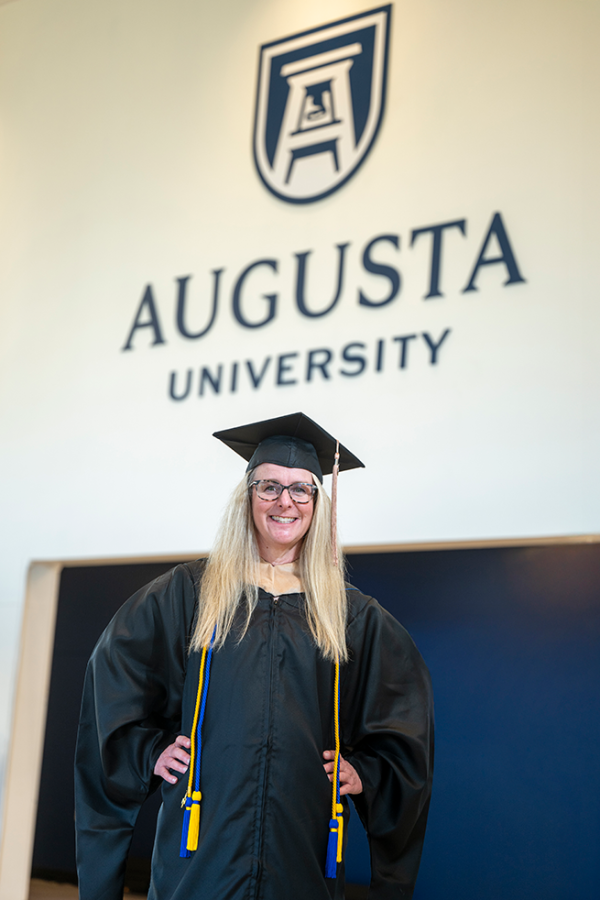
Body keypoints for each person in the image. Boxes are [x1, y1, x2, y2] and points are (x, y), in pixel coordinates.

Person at [75, 412, 434, 900]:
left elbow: (401, 725)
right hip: (203, 852)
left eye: (300, 489)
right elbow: (114, 680)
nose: (284, 501)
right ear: (247, 497)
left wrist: (366, 774)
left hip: (302, 848)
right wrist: (148, 750)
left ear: (317, 503)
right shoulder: (190, 594)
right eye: (268, 486)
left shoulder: (352, 616)